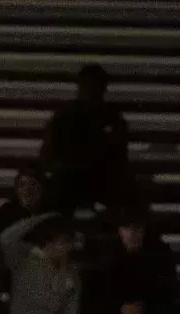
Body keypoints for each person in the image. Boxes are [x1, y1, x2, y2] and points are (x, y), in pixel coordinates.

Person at [40, 65, 132, 214]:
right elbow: (47, 155)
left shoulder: (112, 117)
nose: (91, 91)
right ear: (80, 87)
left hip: (102, 189)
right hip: (68, 188)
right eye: (88, 85)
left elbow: (121, 157)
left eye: (96, 86)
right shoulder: (63, 117)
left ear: (103, 88)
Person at [90, 208, 180, 314]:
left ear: (143, 231)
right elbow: (100, 294)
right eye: (127, 228)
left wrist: (145, 308)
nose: (132, 234)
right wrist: (121, 308)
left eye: (137, 228)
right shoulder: (108, 257)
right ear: (120, 231)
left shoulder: (160, 254)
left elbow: (169, 290)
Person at [0, 166, 51, 246]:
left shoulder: (51, 214)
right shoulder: (4, 214)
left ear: (42, 188)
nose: (27, 189)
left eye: (33, 184)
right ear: (16, 190)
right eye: (22, 185)